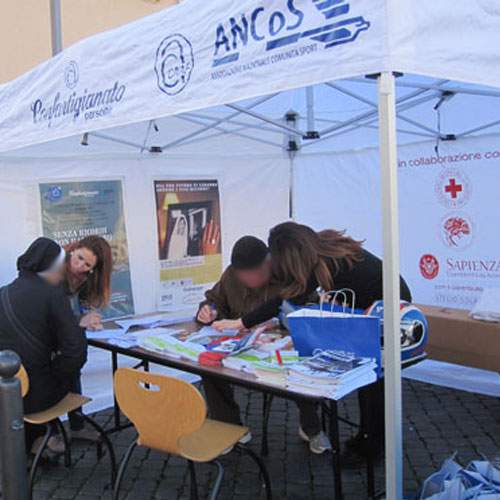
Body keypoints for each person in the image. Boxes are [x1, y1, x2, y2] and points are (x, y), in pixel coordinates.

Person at [214, 222, 412, 461]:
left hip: (390, 307)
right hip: (372, 306)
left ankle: (374, 446)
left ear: (292, 254)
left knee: (374, 380)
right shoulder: (321, 252)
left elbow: (283, 300)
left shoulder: (326, 263)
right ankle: (367, 437)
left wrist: (240, 323)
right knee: (368, 379)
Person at [0, 238, 87, 453]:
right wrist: (57, 373)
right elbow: (75, 352)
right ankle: (48, 435)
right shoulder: (53, 295)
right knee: (62, 374)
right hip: (37, 397)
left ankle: (38, 441)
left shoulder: (2, 293)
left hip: (6, 393)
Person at [197, 236, 280, 444]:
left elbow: (305, 308)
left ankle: (311, 427)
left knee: (300, 371)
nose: (250, 281)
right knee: (209, 366)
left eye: (256, 274)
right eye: (244, 276)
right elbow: (214, 301)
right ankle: (229, 427)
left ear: (268, 263)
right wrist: (208, 311)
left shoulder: (285, 276)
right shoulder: (231, 276)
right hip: (238, 345)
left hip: (277, 346)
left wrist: (278, 323)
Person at [63, 235, 113, 441]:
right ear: (74, 249)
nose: (80, 265)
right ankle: (47, 434)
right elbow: (49, 313)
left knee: (74, 375)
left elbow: (84, 305)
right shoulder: (54, 270)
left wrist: (88, 317)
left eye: (88, 264)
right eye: (80, 257)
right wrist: (78, 320)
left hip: (71, 339)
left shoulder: (86, 278)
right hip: (50, 338)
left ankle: (77, 425)